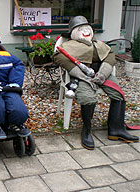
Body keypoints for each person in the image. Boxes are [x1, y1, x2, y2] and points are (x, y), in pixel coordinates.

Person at [53, 16, 139, 150]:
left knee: (118, 94)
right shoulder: (66, 46)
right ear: (73, 33)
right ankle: (86, 130)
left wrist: (103, 74)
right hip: (81, 77)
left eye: (87, 28)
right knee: (88, 99)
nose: (85, 30)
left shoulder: (99, 44)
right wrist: (82, 75)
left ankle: (116, 129)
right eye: (81, 28)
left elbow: (110, 56)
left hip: (101, 74)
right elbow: (59, 58)